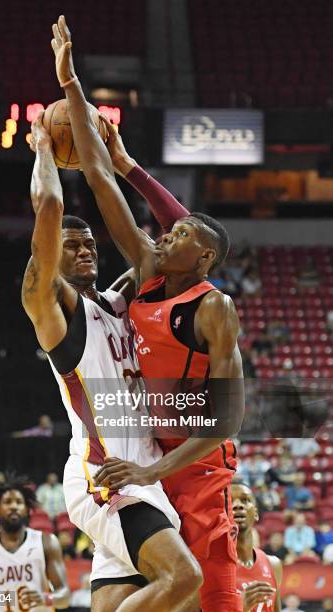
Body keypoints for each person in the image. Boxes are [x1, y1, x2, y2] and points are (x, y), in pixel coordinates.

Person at [50, 15, 244, 611]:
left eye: (180, 232)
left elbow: (225, 423)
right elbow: (104, 185)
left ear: (203, 254)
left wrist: (154, 474)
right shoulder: (145, 273)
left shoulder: (212, 306)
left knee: (210, 600)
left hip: (193, 465)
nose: (167, 230)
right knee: (159, 592)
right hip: (142, 456)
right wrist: (75, 91)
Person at [22, 19, 203, 611]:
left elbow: (120, 200)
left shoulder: (120, 301)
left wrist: (75, 90)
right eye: (72, 246)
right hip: (108, 478)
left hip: (138, 475)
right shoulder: (54, 312)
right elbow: (52, 203)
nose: (86, 248)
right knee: (185, 580)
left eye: (89, 243)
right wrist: (47, 150)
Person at [0, 474, 70, 611]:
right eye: (8, 502)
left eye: (19, 502)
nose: (14, 506)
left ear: (27, 510)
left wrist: (46, 599)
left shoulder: (46, 542)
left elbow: (65, 596)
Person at [232, 482, 282, 612]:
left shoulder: (273, 564)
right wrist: (239, 608)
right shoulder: (212, 567)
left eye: (245, 500)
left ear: (256, 513)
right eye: (229, 501)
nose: (237, 505)